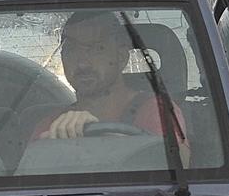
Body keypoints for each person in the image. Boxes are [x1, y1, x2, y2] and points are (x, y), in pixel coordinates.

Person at [34, 10, 189, 164]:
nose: (82, 63)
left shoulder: (156, 110)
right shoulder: (54, 123)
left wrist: (104, 137)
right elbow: (30, 174)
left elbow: (178, 166)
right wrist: (50, 144)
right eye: (72, 50)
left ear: (121, 57)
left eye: (97, 48)